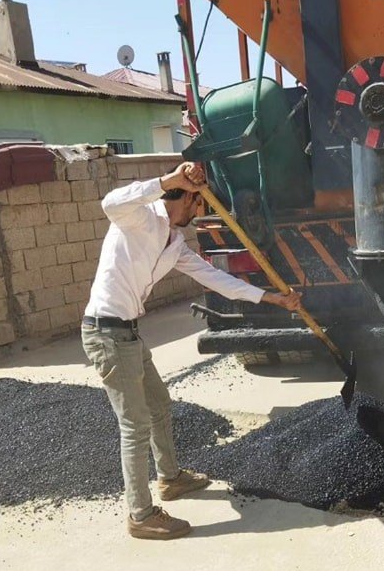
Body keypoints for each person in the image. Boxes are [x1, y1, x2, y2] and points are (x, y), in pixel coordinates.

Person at [82, 161, 302, 540]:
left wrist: (272, 299)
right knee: (135, 425)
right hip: (105, 332)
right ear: (182, 194)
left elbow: (216, 279)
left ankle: (170, 478)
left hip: (128, 334)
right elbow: (110, 203)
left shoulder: (174, 243)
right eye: (197, 203)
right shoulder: (138, 218)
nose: (199, 212)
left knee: (159, 406)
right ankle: (140, 514)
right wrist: (168, 180)